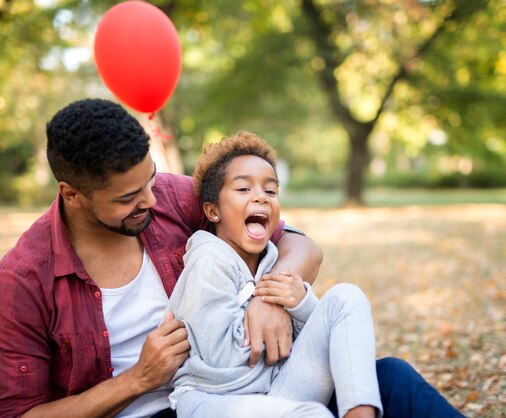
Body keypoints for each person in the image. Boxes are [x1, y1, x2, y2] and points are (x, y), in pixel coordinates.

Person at [0, 98, 464, 418]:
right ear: (72, 194)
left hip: (260, 386)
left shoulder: (173, 196)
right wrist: (137, 380)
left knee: (392, 380)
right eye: (128, 197)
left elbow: (301, 244)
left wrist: (269, 296)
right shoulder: (24, 280)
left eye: (150, 180)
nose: (150, 199)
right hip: (177, 406)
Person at [167, 131, 382, 418]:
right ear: (213, 211)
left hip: (274, 388)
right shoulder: (208, 259)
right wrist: (267, 328)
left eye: (270, 191)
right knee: (312, 416)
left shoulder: (273, 259)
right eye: (243, 189)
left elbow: (316, 339)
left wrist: (300, 304)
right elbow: (219, 360)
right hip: (212, 399)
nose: (261, 198)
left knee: (347, 297)